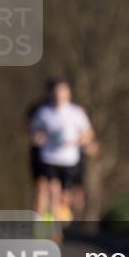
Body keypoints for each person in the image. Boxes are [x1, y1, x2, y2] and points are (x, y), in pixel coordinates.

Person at [29, 78, 96, 224]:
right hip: (49, 157)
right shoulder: (43, 112)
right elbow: (34, 132)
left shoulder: (76, 112)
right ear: (51, 93)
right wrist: (38, 138)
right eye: (57, 91)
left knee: (65, 195)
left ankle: (62, 210)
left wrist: (77, 141)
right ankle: (50, 223)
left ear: (69, 93)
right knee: (52, 188)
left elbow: (88, 133)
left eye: (62, 91)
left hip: (70, 159)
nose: (59, 94)